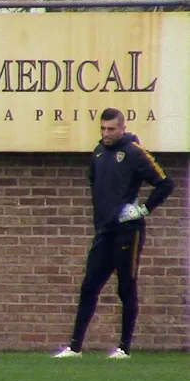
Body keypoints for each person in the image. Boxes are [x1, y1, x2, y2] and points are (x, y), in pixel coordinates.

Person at [54, 108, 174, 359]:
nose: (106, 133)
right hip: (104, 231)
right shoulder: (98, 152)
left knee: (126, 287)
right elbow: (95, 183)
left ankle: (124, 348)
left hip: (128, 231)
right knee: (89, 286)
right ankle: (75, 347)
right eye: (103, 129)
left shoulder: (134, 152)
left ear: (122, 128)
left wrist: (143, 209)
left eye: (111, 129)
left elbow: (165, 183)